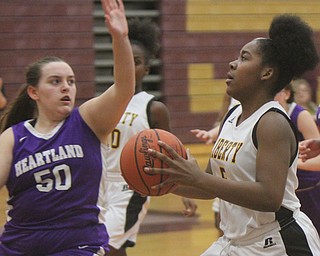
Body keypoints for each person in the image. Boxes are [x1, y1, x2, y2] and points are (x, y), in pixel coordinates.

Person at [144, 14, 320, 255]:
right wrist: (162, 180)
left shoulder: (272, 123)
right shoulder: (232, 116)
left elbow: (269, 197)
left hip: (278, 242)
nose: (232, 63)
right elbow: (209, 186)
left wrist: (196, 177)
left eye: (244, 58)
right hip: (236, 243)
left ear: (266, 73)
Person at [0, 0, 135, 254]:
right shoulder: (13, 137)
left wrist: (120, 38)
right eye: (55, 81)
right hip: (19, 245)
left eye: (71, 81)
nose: (66, 87)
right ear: (34, 92)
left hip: (78, 243)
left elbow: (124, 88)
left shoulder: (87, 121)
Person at [104, 17, 197, 256]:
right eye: (125, 59)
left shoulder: (152, 108)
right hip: (99, 183)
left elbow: (172, 151)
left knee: (104, 246)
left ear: (146, 68)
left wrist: (184, 189)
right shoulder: (103, 101)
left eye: (136, 62)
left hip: (131, 186)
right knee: (114, 246)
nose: (129, 65)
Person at [275, 83, 320, 235]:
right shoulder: (265, 115)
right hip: (287, 190)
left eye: (277, 91)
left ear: (286, 93)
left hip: (309, 187)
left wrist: (290, 160)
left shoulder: (300, 115)